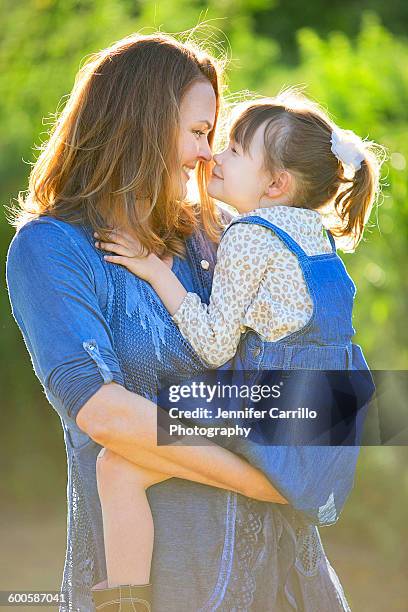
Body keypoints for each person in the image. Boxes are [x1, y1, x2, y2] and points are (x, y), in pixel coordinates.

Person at [5, 31, 358, 611]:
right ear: (140, 126)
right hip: (168, 586)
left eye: (214, 137)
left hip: (287, 577)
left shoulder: (223, 232)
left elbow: (323, 377)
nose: (207, 155)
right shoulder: (53, 248)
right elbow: (104, 414)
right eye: (198, 133)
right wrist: (272, 482)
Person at [94, 92, 382, 608]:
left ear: (276, 184)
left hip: (271, 408)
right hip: (330, 419)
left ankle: (126, 601)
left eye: (233, 149)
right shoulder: (315, 237)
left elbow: (211, 345)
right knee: (130, 464)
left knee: (115, 466)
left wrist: (153, 267)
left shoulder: (249, 237)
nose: (215, 158)